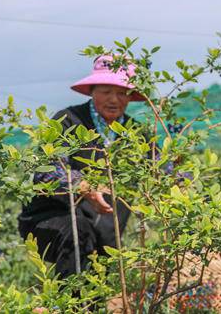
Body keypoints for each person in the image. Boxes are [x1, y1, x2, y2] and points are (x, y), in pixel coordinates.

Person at [17, 55, 145, 278]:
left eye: (121, 92)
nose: (114, 99)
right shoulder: (68, 120)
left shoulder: (137, 133)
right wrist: (84, 187)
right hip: (52, 218)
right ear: (92, 91)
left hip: (107, 227)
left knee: (99, 278)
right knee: (78, 235)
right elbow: (48, 169)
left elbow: (161, 169)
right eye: (106, 91)